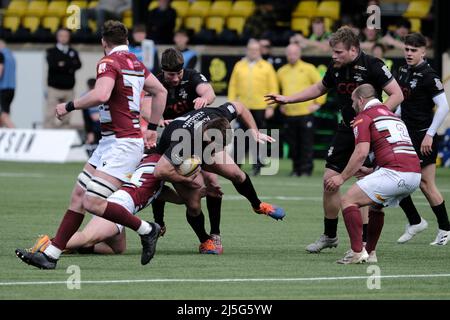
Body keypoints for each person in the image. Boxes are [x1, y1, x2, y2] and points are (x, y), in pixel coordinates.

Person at [15, 20, 168, 270]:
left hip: (122, 144)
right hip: (111, 143)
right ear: (127, 41)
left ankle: (147, 229)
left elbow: (101, 95)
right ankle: (51, 255)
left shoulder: (108, 62)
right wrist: (151, 129)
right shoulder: (136, 63)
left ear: (103, 43)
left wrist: (69, 106)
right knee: (78, 197)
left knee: (92, 202)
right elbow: (160, 92)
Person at [265, 26, 404, 253]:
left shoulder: (373, 65)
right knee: (329, 181)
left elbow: (397, 94)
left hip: (370, 132)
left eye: (338, 52)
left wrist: (373, 118)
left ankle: (365, 242)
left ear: (353, 49)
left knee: (364, 186)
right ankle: (330, 236)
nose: (333, 56)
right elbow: (320, 87)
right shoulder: (336, 67)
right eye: (333, 51)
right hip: (346, 129)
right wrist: (288, 99)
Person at [153, 101, 286, 253]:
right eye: (216, 145)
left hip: (199, 148)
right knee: (193, 202)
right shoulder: (183, 141)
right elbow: (160, 172)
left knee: (231, 177)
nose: (219, 149)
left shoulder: (219, 116)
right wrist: (188, 181)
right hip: (179, 161)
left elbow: (240, 106)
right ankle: (205, 240)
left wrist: (254, 131)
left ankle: (257, 205)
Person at [324, 84, 421, 264]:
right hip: (414, 174)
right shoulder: (394, 116)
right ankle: (370, 253)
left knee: (347, 200)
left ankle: (356, 252)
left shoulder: (364, 116)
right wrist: (371, 171)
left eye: (354, 102)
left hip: (395, 172)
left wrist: (341, 177)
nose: (353, 106)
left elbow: (361, 152)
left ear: (361, 101)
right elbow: (395, 149)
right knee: (375, 206)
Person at [28, 151, 184, 255]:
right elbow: (181, 196)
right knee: (86, 236)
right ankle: (49, 244)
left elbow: (172, 197)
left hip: (120, 205)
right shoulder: (162, 168)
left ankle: (75, 246)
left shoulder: (148, 163)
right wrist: (192, 182)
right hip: (119, 206)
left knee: (117, 249)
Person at [154, 48, 225, 254]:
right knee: (158, 179)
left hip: (198, 139)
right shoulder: (156, 82)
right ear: (163, 71)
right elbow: (145, 104)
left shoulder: (193, 76)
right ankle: (159, 222)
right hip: (170, 140)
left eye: (178, 73)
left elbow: (209, 92)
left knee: (213, 183)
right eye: (170, 75)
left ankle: (215, 234)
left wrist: (205, 100)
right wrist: (156, 119)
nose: (175, 78)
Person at [394, 33, 450, 245]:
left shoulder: (429, 75)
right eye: (406, 49)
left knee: (426, 184)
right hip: (404, 134)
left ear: (423, 52)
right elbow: (402, 103)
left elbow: (444, 106)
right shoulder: (402, 70)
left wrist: (429, 134)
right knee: (394, 178)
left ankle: (445, 229)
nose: (409, 53)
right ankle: (415, 221)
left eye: (413, 50)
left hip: (422, 136)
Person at [228, 39, 279, 176]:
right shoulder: (239, 65)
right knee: (240, 136)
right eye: (251, 49)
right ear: (247, 50)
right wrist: (232, 105)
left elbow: (273, 87)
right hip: (243, 107)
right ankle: (236, 166)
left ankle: (258, 165)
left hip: (260, 107)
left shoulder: (267, 66)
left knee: (259, 137)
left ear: (259, 51)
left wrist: (270, 107)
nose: (253, 52)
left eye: (256, 50)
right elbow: (233, 86)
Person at [277, 43, 326, 177]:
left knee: (306, 143)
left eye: (294, 53)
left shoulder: (308, 68)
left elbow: (322, 85)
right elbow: (278, 89)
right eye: (289, 53)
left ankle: (306, 169)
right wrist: (280, 105)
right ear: (286, 54)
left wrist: (318, 103)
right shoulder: (281, 71)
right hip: (289, 113)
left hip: (305, 112)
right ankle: (296, 168)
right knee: (293, 144)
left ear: (299, 54)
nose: (292, 56)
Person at [44, 28, 82, 129]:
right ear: (57, 37)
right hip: (54, 88)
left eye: (66, 36)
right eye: (61, 35)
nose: (64, 38)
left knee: (67, 116)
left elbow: (78, 65)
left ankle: (64, 135)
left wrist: (63, 64)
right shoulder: (51, 51)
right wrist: (69, 65)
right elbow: (53, 65)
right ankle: (47, 135)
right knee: (50, 114)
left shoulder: (73, 52)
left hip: (69, 89)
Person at [81, 78, 101, 156]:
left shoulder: (84, 95)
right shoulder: (91, 96)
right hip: (94, 124)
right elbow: (93, 117)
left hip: (93, 123)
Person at [0, 39, 16, 128]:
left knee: (3, 114)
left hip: (3, 88)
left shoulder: (1, 54)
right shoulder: (11, 55)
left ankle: (16, 132)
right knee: (5, 113)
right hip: (11, 89)